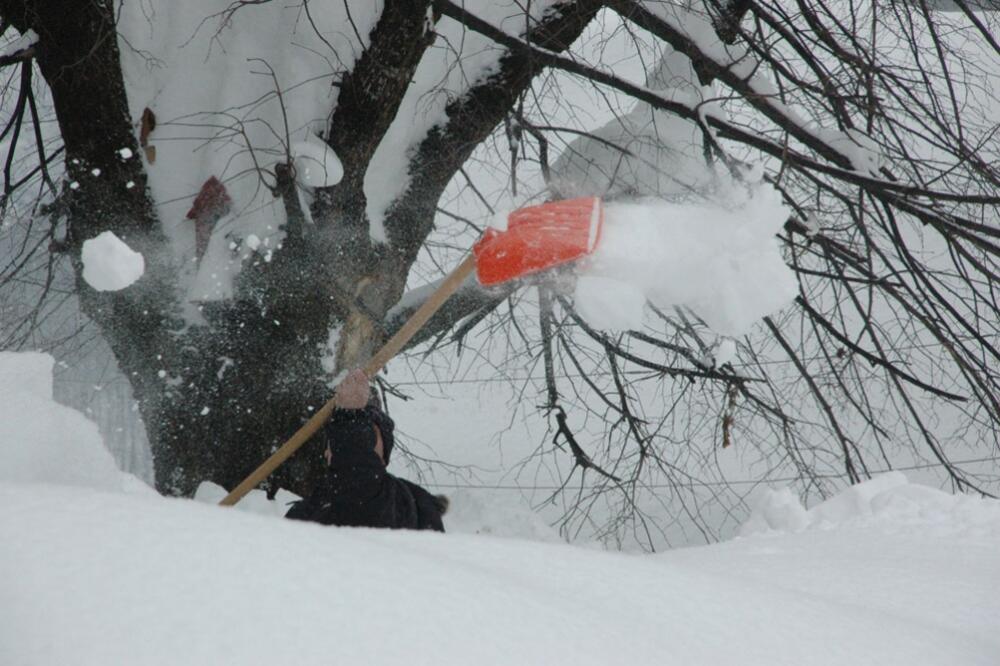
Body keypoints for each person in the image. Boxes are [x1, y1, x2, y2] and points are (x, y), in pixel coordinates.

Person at [285, 369, 446, 531]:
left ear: (385, 454)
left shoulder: (407, 503)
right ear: (328, 453)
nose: (363, 443)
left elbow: (359, 488)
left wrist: (351, 418)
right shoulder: (301, 515)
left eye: (370, 435)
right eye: (361, 437)